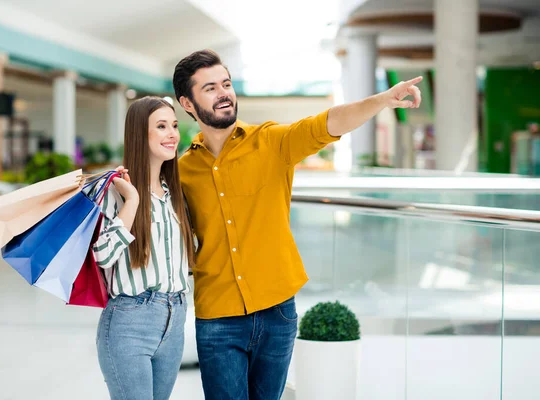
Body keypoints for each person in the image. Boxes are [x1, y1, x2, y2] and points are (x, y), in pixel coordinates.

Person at [173, 49, 422, 400]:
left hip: (277, 311)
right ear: (187, 101)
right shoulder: (182, 171)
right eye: (210, 88)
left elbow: (329, 122)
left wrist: (382, 100)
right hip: (218, 317)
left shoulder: (271, 141)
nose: (223, 93)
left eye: (226, 84)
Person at [90, 96, 195, 400]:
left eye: (174, 126)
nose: (172, 134)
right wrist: (133, 201)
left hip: (174, 318)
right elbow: (103, 256)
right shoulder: (115, 191)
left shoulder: (174, 192)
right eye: (161, 126)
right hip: (129, 321)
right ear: (139, 133)